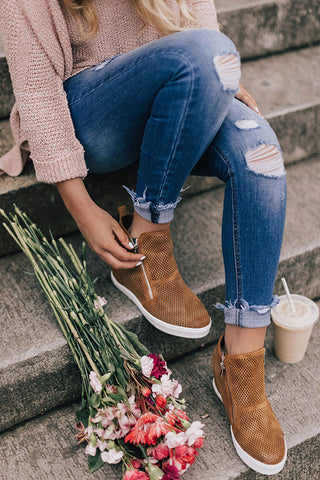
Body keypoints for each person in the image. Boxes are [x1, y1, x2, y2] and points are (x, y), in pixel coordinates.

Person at [0, 0, 287, 475]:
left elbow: (199, 24)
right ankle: (148, 241)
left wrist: (217, 79)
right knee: (210, 53)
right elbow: (35, 90)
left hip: (180, 86)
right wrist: (82, 207)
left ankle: (242, 366)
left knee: (260, 153)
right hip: (92, 109)